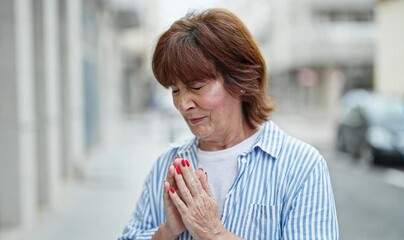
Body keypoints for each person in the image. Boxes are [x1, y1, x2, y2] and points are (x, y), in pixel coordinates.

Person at [119, 8, 339, 240]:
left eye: (197, 87)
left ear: (240, 79)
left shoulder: (301, 166)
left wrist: (214, 233)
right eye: (175, 90)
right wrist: (167, 232)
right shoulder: (167, 166)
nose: (183, 104)